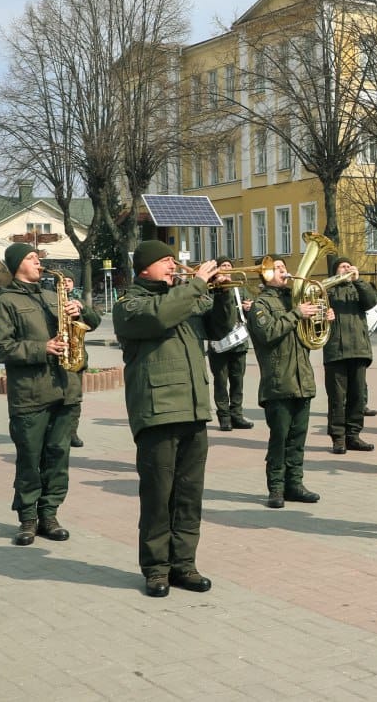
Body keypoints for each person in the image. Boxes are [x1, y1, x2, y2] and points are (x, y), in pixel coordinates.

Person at [112, 240, 221, 598]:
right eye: (166, 261)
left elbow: (218, 329)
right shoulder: (130, 303)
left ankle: (184, 564)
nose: (174, 266)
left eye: (175, 260)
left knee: (190, 496)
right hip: (157, 411)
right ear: (144, 268)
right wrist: (197, 285)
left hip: (193, 409)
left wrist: (220, 292)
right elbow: (160, 316)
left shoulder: (183, 297)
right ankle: (156, 568)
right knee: (159, 496)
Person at [0, 243, 100, 547]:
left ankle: (49, 514)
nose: (39, 263)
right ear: (16, 266)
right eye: (31, 258)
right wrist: (42, 348)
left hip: (66, 390)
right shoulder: (5, 303)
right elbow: (0, 349)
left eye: (38, 258)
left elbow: (94, 322)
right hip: (30, 394)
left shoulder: (54, 297)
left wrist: (82, 310)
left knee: (58, 456)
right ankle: (27, 518)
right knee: (29, 458)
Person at [247, 255, 331, 509]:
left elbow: (310, 339)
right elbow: (268, 333)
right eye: (278, 268)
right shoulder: (261, 304)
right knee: (280, 438)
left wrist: (323, 319)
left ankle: (295, 484)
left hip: (302, 379)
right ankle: (276, 488)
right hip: (277, 381)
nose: (285, 272)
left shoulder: (294, 299)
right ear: (265, 275)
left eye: (285, 267)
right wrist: (297, 313)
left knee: (298, 438)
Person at [322, 256, 377, 454]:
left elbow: (372, 301)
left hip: (359, 349)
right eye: (342, 266)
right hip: (335, 351)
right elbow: (314, 317)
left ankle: (353, 436)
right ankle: (338, 438)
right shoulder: (325, 291)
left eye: (349, 265)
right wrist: (323, 315)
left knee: (357, 397)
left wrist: (358, 280)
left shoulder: (359, 287)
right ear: (335, 271)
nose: (346, 268)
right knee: (338, 398)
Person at [203, 258, 254, 432]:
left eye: (229, 266)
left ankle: (237, 415)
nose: (226, 269)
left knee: (237, 381)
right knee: (221, 381)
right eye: (223, 266)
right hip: (219, 342)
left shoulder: (240, 288)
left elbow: (250, 309)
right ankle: (224, 417)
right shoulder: (210, 288)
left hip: (239, 342)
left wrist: (250, 308)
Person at [61, 275, 88, 448]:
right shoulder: (50, 299)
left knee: (75, 398)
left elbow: (94, 322)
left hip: (76, 355)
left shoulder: (78, 300)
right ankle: (60, 431)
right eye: (62, 281)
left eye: (69, 281)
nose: (66, 284)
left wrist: (82, 309)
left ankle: (72, 432)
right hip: (59, 354)